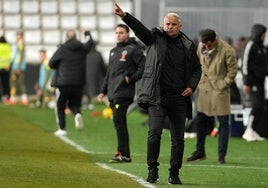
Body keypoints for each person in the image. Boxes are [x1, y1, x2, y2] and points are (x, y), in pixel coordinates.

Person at [113, 4, 202, 185]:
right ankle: (152, 170)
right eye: (167, 24)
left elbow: (197, 70)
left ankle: (174, 173)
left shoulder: (188, 45)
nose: (169, 27)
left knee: (178, 139)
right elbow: (140, 30)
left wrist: (191, 87)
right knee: (154, 134)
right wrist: (125, 16)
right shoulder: (154, 38)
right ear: (164, 24)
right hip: (157, 97)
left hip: (179, 98)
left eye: (173, 24)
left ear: (180, 26)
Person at [187, 29, 238, 164]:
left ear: (215, 40)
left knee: (223, 122)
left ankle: (221, 155)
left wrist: (224, 83)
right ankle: (200, 151)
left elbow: (233, 70)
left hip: (219, 89)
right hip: (204, 88)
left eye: (208, 44)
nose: (206, 47)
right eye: (204, 44)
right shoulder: (201, 46)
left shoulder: (227, 50)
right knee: (200, 121)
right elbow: (196, 64)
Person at [97, 24, 145, 163]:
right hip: (113, 93)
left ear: (127, 33)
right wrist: (102, 91)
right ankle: (125, 154)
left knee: (119, 122)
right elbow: (109, 74)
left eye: (121, 32)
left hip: (123, 93)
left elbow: (144, 66)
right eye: (117, 32)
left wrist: (131, 78)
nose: (118, 35)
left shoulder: (133, 50)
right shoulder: (113, 51)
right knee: (119, 122)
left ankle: (122, 153)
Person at [49, 29, 93, 136]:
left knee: (60, 106)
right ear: (75, 37)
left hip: (63, 83)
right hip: (79, 82)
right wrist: (87, 32)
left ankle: (62, 129)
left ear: (67, 37)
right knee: (75, 104)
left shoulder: (62, 49)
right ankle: (77, 114)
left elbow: (51, 63)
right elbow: (90, 43)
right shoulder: (82, 48)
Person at [241, 24, 267, 142]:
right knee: (256, 106)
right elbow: (245, 65)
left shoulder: (262, 48)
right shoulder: (250, 45)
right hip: (252, 82)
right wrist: (246, 82)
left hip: (261, 82)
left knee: (260, 106)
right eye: (263, 34)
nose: (264, 36)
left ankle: (254, 130)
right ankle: (248, 130)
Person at [7, 31, 28, 105]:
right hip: (17, 66)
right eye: (17, 35)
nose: (17, 37)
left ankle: (15, 99)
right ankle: (22, 98)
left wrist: (18, 68)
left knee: (15, 82)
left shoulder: (20, 44)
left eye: (18, 35)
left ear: (21, 36)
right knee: (18, 82)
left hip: (17, 67)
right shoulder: (19, 44)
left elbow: (21, 56)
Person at [84, 41, 106, 110]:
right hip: (96, 75)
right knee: (93, 89)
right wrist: (104, 74)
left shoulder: (85, 54)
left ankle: (87, 103)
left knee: (87, 89)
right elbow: (102, 66)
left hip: (85, 74)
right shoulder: (98, 54)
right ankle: (92, 103)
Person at [0, 36, 12, 102]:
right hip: (7, 67)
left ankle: (1, 97)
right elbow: (9, 56)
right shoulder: (8, 46)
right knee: (6, 83)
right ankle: (7, 96)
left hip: (0, 67)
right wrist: (8, 65)